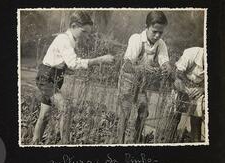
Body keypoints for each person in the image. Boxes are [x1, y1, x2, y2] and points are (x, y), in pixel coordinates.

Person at [31, 11, 114, 145]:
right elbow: (73, 63)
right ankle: (65, 143)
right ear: (74, 26)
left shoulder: (71, 40)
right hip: (47, 77)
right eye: (84, 32)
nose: (86, 36)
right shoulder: (64, 40)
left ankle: (34, 143)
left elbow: (63, 62)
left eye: (88, 33)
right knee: (66, 108)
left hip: (55, 76)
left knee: (44, 115)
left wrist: (67, 68)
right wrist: (100, 59)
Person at [117, 11, 172, 144]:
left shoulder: (161, 44)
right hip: (128, 81)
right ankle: (119, 142)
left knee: (144, 112)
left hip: (141, 84)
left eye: (161, 32)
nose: (157, 35)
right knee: (125, 113)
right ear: (146, 26)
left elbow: (165, 62)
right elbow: (127, 65)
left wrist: (167, 68)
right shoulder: (136, 39)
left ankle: (135, 141)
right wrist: (142, 68)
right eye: (154, 31)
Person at [173, 47, 205, 142]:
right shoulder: (192, 53)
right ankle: (171, 136)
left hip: (199, 87)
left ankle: (195, 141)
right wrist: (187, 88)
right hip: (182, 82)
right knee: (176, 112)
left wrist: (202, 89)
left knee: (197, 114)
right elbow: (179, 73)